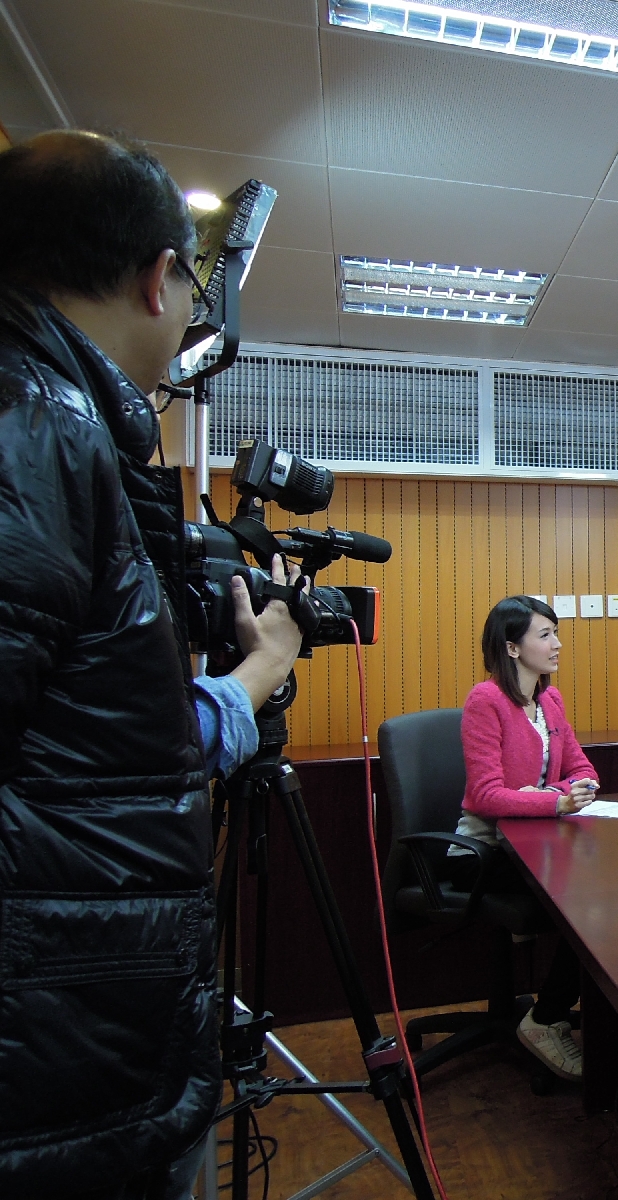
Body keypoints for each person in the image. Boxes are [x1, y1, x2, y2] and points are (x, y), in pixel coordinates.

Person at [0, 132, 304, 1198]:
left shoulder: (60, 421)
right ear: (159, 277)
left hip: (76, 1026)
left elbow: (90, 746)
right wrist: (256, 678)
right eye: (191, 288)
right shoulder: (33, 427)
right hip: (57, 1043)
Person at [456, 595, 599, 1081]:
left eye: (556, 633)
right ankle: (545, 1019)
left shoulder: (550, 701)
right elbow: (486, 795)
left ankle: (573, 1016)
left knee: (608, 894)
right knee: (585, 907)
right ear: (512, 647)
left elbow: (584, 772)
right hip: (483, 851)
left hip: (540, 843)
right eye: (545, 635)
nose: (557, 644)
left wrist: (552, 794)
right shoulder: (485, 700)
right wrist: (556, 801)